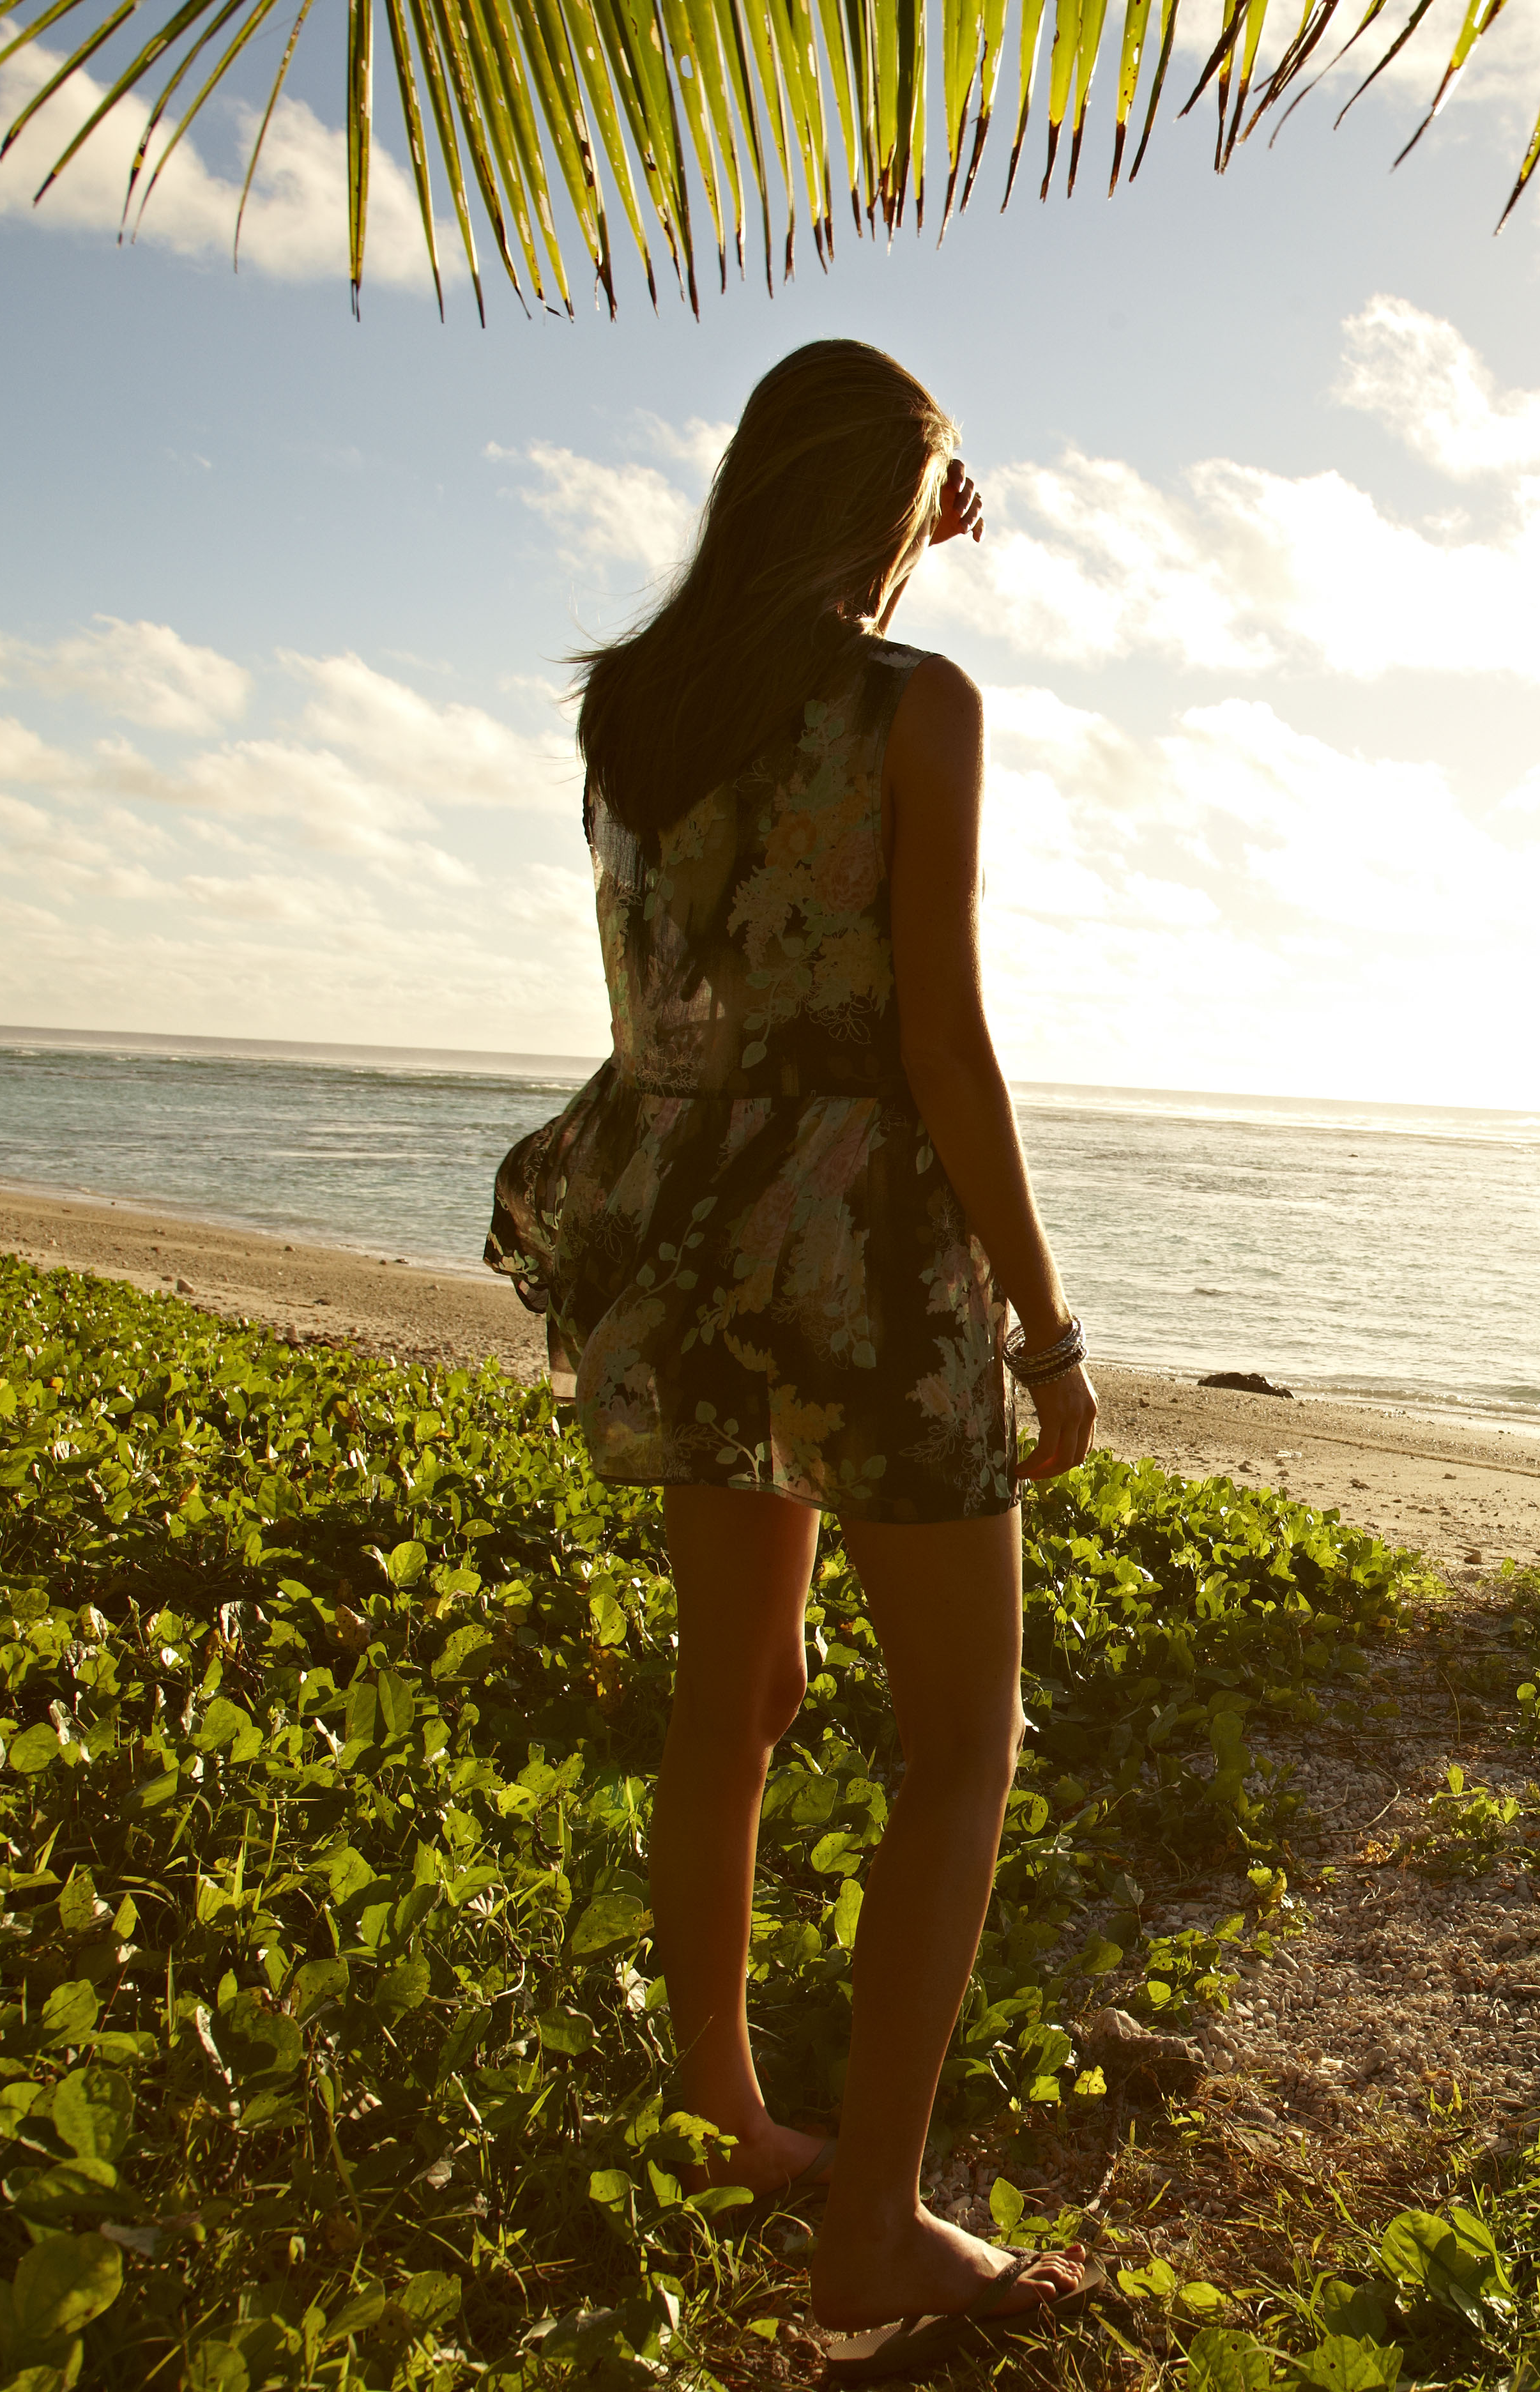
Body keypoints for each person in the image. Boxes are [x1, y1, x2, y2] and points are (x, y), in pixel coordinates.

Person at [485, 340, 1097, 2381]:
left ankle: (721, 2105)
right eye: (938, 494)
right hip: (857, 1244)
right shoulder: (919, 707)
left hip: (674, 1226)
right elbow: (941, 1041)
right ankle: (878, 2227)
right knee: (962, 1739)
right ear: (893, 507)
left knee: (734, 1692)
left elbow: (686, 990)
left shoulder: (628, 704)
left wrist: (910, 507)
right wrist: (1048, 1324)